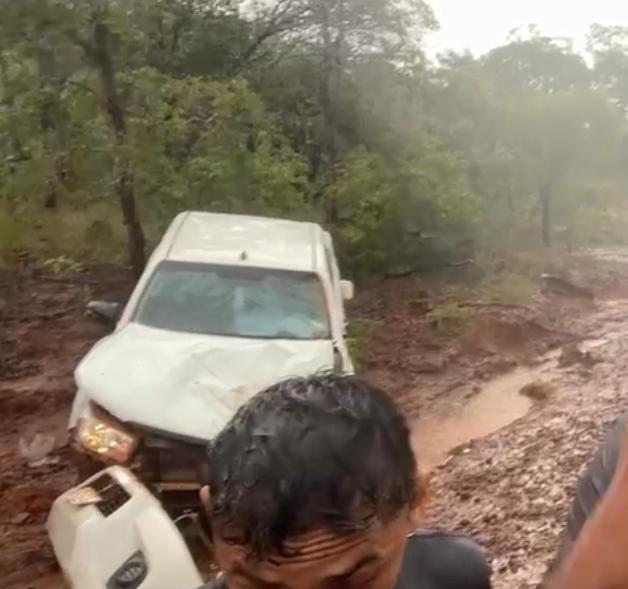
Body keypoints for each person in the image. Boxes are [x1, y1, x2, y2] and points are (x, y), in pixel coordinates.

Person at [199, 373, 491, 589]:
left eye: (353, 583)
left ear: (416, 500)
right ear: (211, 517)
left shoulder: (456, 575)